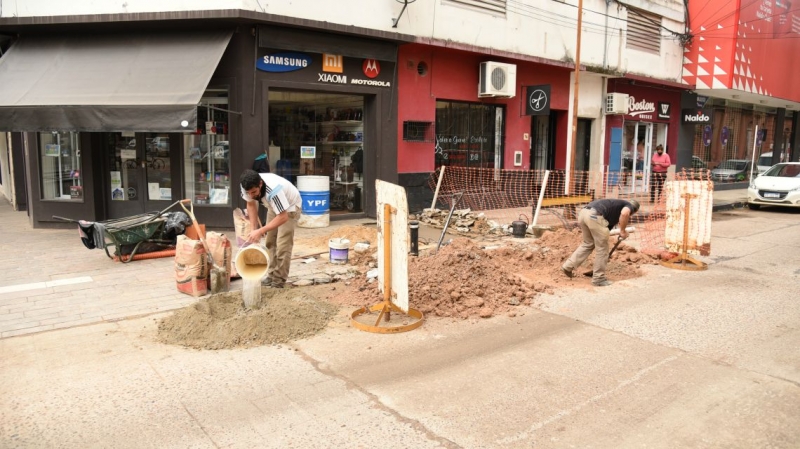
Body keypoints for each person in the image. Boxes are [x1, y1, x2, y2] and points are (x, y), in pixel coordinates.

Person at [240, 169, 302, 288]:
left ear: (260, 184)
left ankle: (279, 281)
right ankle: (271, 274)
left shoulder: (273, 190)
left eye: (254, 192)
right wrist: (254, 230)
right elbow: (251, 204)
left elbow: (283, 217)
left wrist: (261, 230)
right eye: (249, 193)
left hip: (290, 207)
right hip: (273, 207)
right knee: (270, 241)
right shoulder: (245, 186)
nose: (251, 195)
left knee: (283, 244)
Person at [560, 198, 640, 287]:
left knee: (588, 243)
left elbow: (605, 227)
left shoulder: (615, 207)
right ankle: (598, 278)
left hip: (583, 214)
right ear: (634, 211)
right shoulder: (628, 206)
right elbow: (625, 213)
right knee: (602, 249)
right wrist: (622, 231)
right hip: (595, 216)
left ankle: (568, 266)